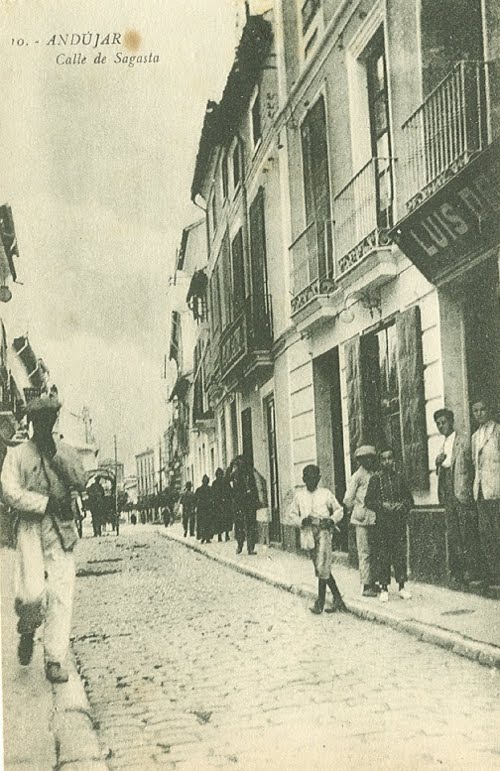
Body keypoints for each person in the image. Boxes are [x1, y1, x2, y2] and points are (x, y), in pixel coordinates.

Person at [1, 394, 86, 683]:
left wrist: (58, 456)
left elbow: (80, 481)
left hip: (60, 529)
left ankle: (54, 659)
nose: (44, 424)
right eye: (39, 419)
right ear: (31, 421)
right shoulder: (17, 454)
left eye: (49, 418)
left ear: (54, 420)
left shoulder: (64, 451)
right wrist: (42, 503)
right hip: (29, 527)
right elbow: (9, 492)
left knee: (61, 593)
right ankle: (27, 630)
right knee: (32, 591)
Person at [289, 464, 347, 614]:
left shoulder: (325, 494)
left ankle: (320, 602)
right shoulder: (299, 496)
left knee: (322, 566)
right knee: (320, 568)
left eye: (314, 478)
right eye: (308, 478)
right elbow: (291, 514)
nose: (311, 481)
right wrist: (302, 521)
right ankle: (338, 598)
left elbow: (339, 510)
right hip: (308, 533)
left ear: (319, 478)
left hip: (324, 532)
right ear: (303, 479)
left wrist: (332, 520)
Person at [434, 408, 479, 585]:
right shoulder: (443, 443)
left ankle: (472, 571)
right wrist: (437, 462)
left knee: (467, 532)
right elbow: (444, 469)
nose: (440, 426)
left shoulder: (462, 441)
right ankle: (458, 571)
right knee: (453, 535)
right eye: (438, 424)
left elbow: (470, 466)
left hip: (461, 492)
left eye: (443, 422)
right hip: (447, 493)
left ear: (451, 422)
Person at [365, 449, 413, 602]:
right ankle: (384, 587)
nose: (387, 462)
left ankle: (402, 586)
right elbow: (368, 501)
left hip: (398, 524)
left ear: (394, 460)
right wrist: (382, 505)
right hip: (382, 525)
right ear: (380, 461)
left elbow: (409, 500)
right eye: (384, 459)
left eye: (390, 458)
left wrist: (401, 505)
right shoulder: (375, 480)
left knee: (399, 556)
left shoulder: (400, 478)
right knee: (383, 556)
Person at [471, 399, 500, 587]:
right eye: (476, 411)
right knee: (486, 533)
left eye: (483, 409)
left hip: (496, 488)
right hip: (481, 490)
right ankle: (494, 574)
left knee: (497, 531)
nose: (480, 413)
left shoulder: (497, 431)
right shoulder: (475, 436)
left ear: (490, 410)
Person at [343, 445, 378, 597]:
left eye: (371, 457)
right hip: (361, 519)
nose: (368, 460)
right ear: (360, 460)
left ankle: (373, 581)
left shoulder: (374, 474)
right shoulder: (357, 476)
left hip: (374, 518)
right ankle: (366, 584)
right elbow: (347, 499)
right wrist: (356, 511)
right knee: (364, 552)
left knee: (374, 551)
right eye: (365, 458)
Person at [228, 456, 259, 555]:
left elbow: (255, 488)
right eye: (238, 463)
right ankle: (240, 545)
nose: (240, 465)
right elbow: (226, 482)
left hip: (248, 503)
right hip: (239, 504)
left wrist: (255, 500)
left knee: (250, 525)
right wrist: (230, 466)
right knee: (240, 525)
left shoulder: (250, 474)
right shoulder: (234, 475)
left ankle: (250, 548)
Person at [211, 467, 231, 541]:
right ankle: (219, 536)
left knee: (226, 519)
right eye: (218, 474)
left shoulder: (225, 482)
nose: (219, 475)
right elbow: (212, 494)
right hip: (218, 504)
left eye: (221, 474)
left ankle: (226, 534)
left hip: (225, 503)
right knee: (219, 520)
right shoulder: (215, 483)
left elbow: (229, 492)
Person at [195, 475, 213, 544]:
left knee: (204, 523)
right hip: (205, 509)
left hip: (204, 509)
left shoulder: (200, 489)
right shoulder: (207, 489)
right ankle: (205, 537)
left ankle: (205, 537)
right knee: (205, 523)